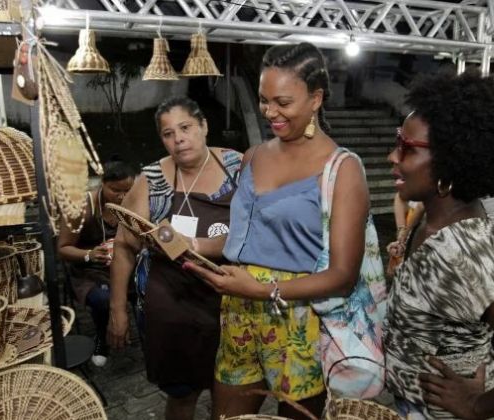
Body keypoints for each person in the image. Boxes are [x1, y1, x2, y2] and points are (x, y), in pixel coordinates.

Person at [184, 43, 386, 419]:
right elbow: (243, 238)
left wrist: (263, 290)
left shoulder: (342, 169)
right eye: (263, 100)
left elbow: (342, 276)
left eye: (282, 102)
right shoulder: (254, 156)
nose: (270, 112)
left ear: (316, 99)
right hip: (239, 309)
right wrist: (190, 244)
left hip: (298, 317)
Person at [107, 96, 242, 420]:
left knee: (230, 397)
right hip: (173, 304)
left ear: (204, 126)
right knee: (182, 395)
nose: (178, 138)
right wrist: (117, 309)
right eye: (168, 133)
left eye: (185, 127)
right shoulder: (151, 180)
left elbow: (255, 231)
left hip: (231, 301)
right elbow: (125, 246)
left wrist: (197, 244)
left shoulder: (237, 167)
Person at [383, 71, 494, 419]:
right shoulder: (426, 219)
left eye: (407, 148)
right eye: (397, 140)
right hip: (410, 404)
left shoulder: (466, 254)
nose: (392, 156)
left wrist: (477, 405)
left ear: (450, 161)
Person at [57, 159, 136, 367]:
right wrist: (89, 254)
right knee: (102, 298)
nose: (121, 197)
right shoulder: (82, 208)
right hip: (88, 270)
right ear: (102, 182)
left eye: (127, 190)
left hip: (122, 264)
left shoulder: (132, 202)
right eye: (115, 190)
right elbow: (62, 248)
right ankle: (102, 338)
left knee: (149, 284)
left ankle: (140, 332)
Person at [386, 193, 424, 276]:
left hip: (420, 230)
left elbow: (421, 207)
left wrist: (403, 234)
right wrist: (402, 232)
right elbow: (400, 197)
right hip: (412, 228)